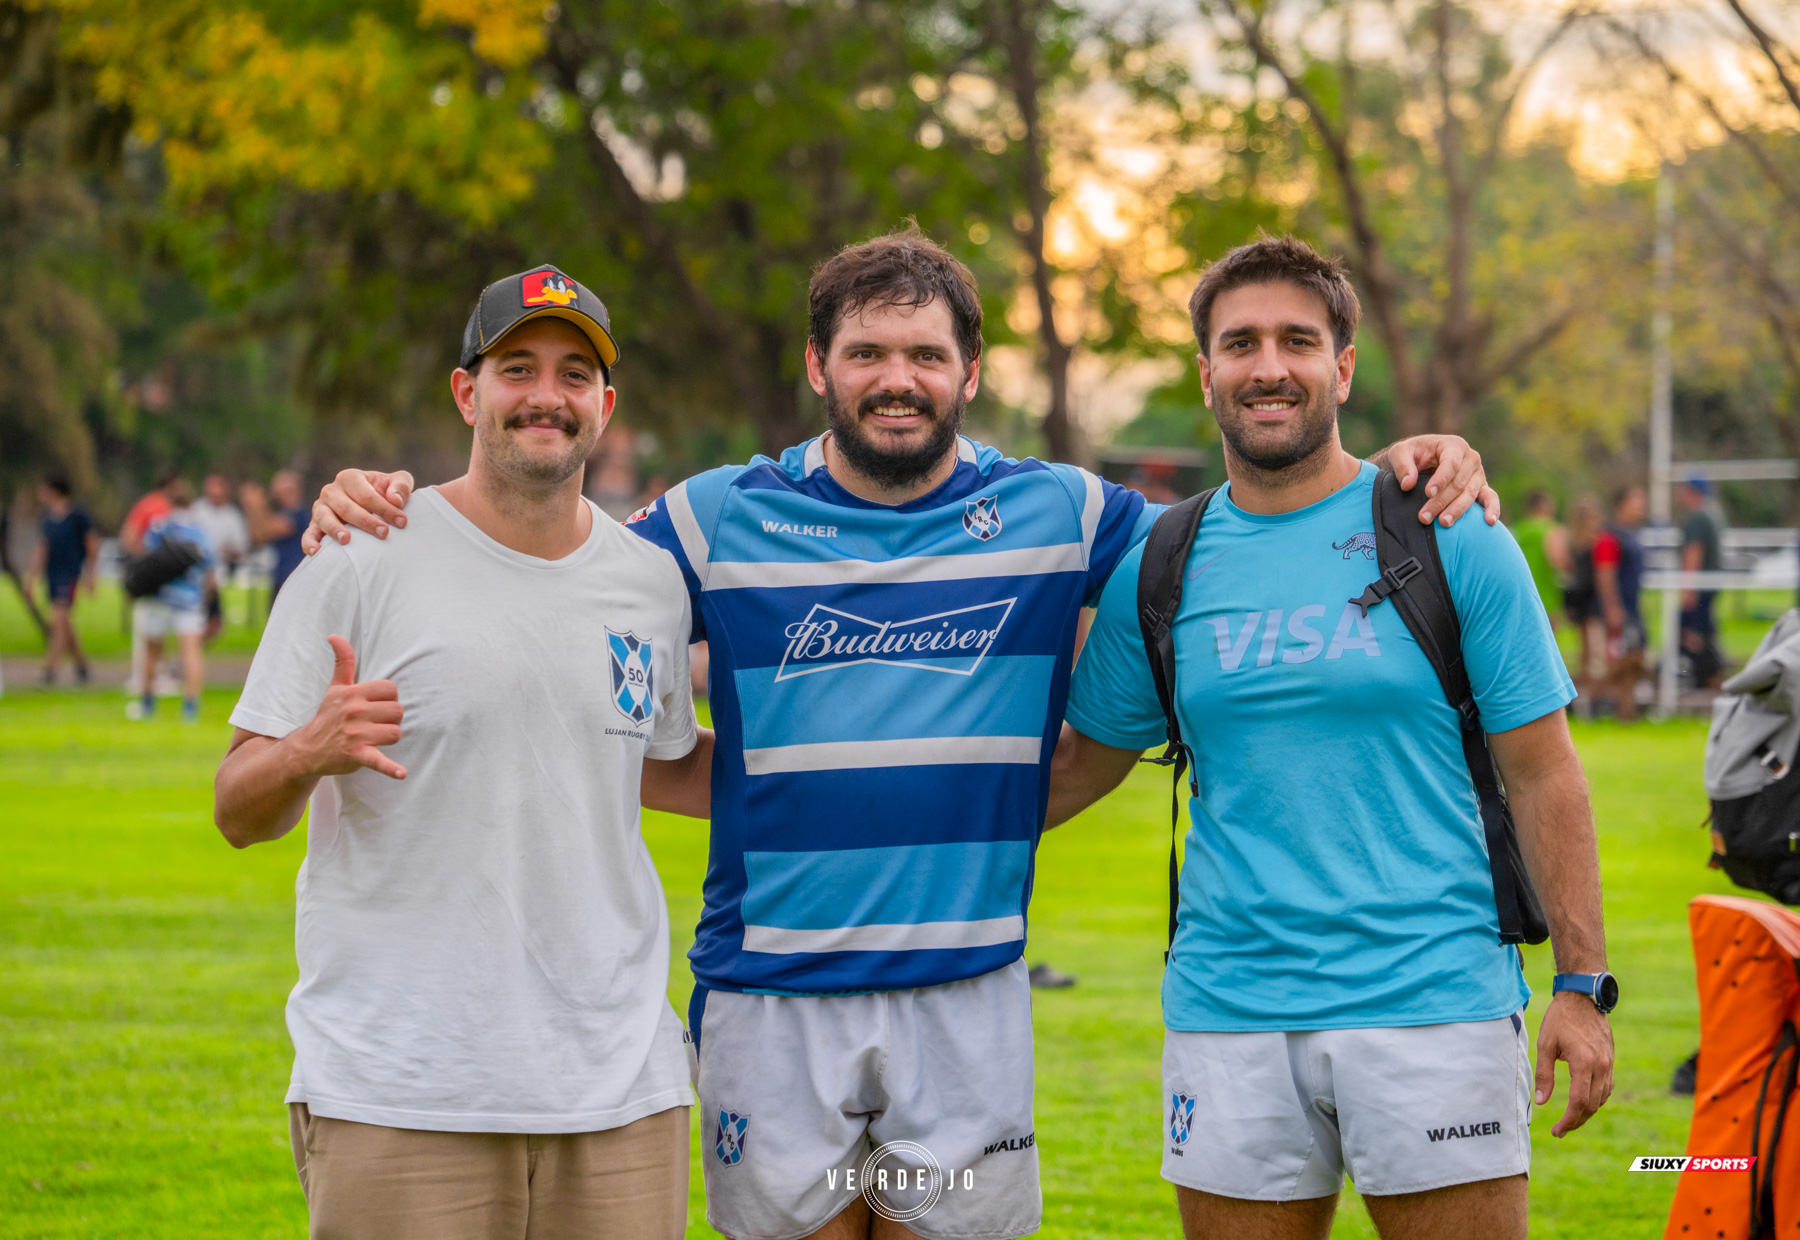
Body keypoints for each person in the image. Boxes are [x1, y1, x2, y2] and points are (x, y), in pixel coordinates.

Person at [301, 227, 1498, 1240]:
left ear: (970, 370)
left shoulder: (1067, 512)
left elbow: (1259, 512)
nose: (897, 378)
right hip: (771, 997)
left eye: (926, 354)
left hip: (965, 995)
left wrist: (1401, 467)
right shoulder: (716, 518)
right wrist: (389, 502)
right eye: (866, 352)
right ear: (817, 365)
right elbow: (548, 554)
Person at [1045, 237, 1614, 1240]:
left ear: (1342, 367)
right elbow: (1074, 771)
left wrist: (1579, 985)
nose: (1269, 365)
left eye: (1297, 340)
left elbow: (1544, 772)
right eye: (1241, 342)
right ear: (1207, 371)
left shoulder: (1447, 527)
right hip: (1229, 1009)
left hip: (1433, 999)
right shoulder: (1161, 562)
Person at [212, 265, 713, 1239]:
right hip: (402, 1091)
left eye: (575, 375)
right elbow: (239, 806)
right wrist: (309, 750)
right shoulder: (362, 553)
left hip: (620, 1092)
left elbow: (652, 761)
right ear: (466, 391)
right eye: (516, 368)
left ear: (604, 405)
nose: (545, 396)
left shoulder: (647, 584)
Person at [130, 478, 215, 722]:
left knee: (152, 652)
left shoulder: (160, 527)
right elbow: (210, 569)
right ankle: (190, 706)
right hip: (189, 600)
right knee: (190, 651)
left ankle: (147, 702)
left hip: (159, 598)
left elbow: (144, 556)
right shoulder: (200, 532)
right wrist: (205, 597)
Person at [28, 475, 99, 685]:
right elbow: (42, 549)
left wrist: (91, 575)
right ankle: (81, 665)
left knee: (58, 619)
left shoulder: (78, 517)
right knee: (64, 622)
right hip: (52, 574)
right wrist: (31, 578)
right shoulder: (47, 519)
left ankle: (49, 670)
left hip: (70, 575)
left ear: (54, 491)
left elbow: (92, 544)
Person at [1593, 485, 1647, 721]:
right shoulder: (1610, 535)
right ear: (1622, 503)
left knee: (1634, 660)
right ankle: (1591, 702)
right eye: (1637, 499)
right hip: (1618, 609)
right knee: (1621, 661)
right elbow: (1605, 573)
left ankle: (1626, 711)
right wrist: (1612, 607)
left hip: (1632, 607)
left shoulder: (1632, 533)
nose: (1642, 504)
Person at [190, 473, 251, 641]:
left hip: (217, 573)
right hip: (196, 571)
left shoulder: (232, 516)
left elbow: (241, 547)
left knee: (214, 624)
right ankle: (188, 656)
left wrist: (228, 552)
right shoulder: (196, 511)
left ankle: (188, 654)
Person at [1678, 476, 1727, 689]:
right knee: (1706, 633)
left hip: (1699, 587)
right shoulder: (1715, 514)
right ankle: (1711, 679)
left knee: (1695, 637)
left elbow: (1694, 552)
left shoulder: (1698, 517)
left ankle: (1709, 682)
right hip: (1710, 586)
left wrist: (1687, 587)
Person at [1561, 495, 1605, 706]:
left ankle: (1589, 698)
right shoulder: (1587, 542)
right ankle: (1591, 700)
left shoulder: (1576, 542)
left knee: (1589, 654)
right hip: (1588, 600)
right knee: (1591, 654)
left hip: (1584, 600)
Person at [242, 469, 309, 599]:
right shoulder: (282, 512)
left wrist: (257, 503)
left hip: (294, 579)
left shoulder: (299, 514)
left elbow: (268, 529)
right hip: (280, 579)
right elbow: (258, 536)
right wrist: (251, 507)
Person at [1512, 489, 1565, 627]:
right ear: (1544, 506)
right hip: (1546, 595)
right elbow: (1558, 561)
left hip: (1522, 593)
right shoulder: (1550, 530)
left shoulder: (1517, 530)